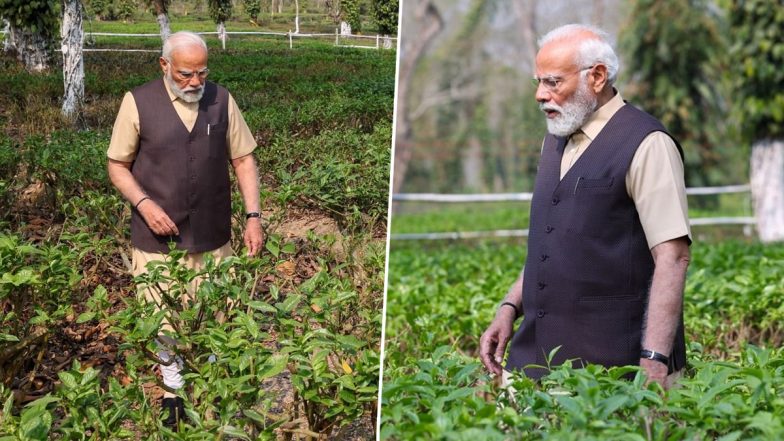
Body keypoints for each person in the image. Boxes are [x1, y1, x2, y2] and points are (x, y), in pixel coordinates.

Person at [479, 24, 691, 390]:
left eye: (553, 82)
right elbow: (553, 244)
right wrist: (509, 307)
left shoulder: (648, 143)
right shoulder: (555, 140)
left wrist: (655, 359)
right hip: (532, 361)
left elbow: (673, 256)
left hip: (613, 373)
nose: (540, 95)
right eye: (538, 82)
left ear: (597, 76)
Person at [106, 31, 262, 429]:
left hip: (212, 233)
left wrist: (253, 215)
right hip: (157, 240)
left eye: (202, 73)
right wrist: (144, 204)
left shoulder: (222, 100)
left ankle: (208, 384)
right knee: (163, 320)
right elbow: (117, 166)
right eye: (186, 74)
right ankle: (173, 392)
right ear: (165, 67)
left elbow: (243, 159)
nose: (195, 82)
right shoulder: (137, 102)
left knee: (216, 314)